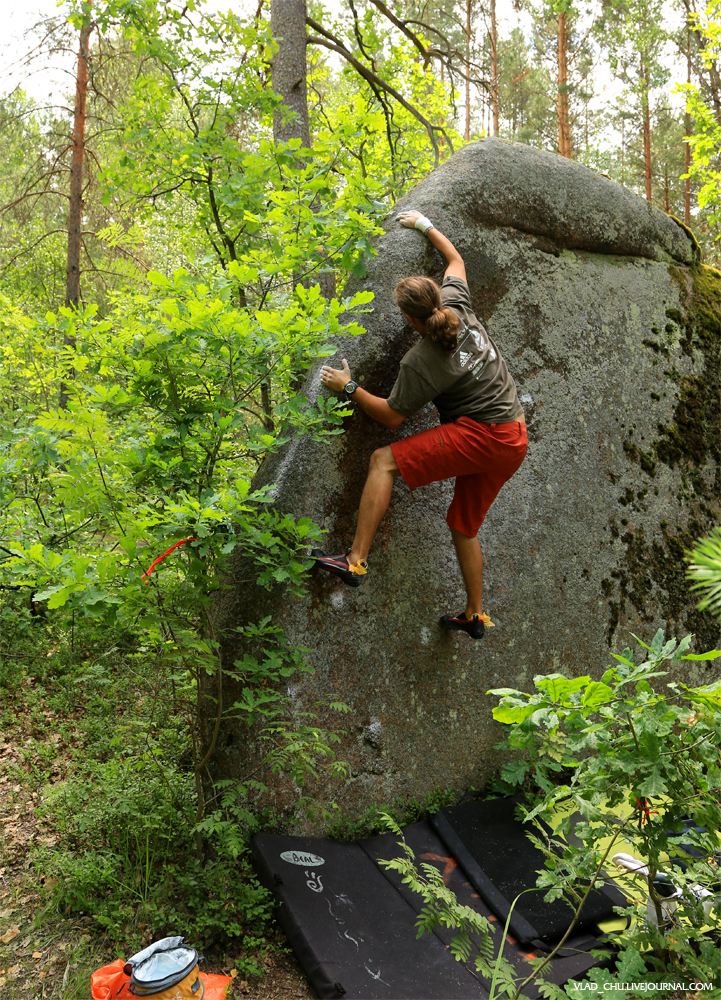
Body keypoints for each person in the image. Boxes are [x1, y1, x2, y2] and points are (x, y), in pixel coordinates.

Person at [312, 210, 527, 640]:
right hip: (514, 435)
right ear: (437, 298)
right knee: (462, 525)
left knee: (382, 461)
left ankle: (354, 560)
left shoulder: (421, 361)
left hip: (485, 434)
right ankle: (474, 614)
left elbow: (392, 416)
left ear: (411, 320)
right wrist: (424, 224)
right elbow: (456, 262)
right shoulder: (458, 306)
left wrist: (349, 386)